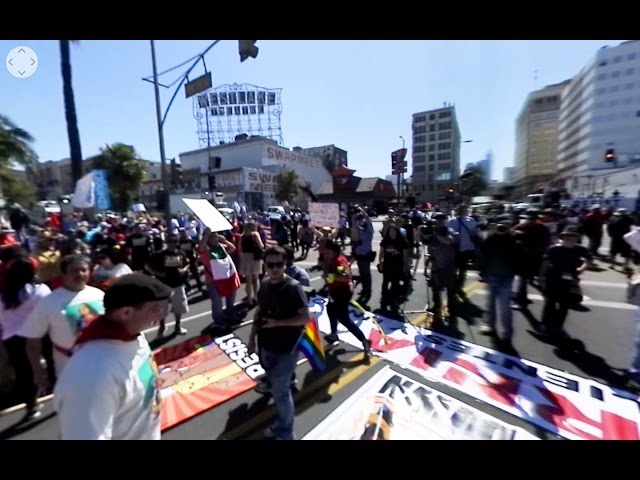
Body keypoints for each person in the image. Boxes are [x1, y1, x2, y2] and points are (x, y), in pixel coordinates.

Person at [53, 274, 172, 440]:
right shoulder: (93, 372)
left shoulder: (134, 335)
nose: (162, 314)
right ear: (126, 312)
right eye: (155, 308)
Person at [248, 246, 310, 440]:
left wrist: (278, 323)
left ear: (285, 264)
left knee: (281, 391)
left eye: (279, 264)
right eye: (270, 264)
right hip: (266, 344)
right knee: (274, 381)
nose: (275, 268)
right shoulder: (265, 285)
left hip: (286, 348)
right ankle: (288, 384)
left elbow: (304, 318)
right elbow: (259, 312)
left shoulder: (293, 287)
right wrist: (251, 338)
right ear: (265, 266)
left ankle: (286, 431)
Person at [19, 254, 105, 380]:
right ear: (63, 275)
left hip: (103, 361)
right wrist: (37, 369)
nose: (80, 274)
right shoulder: (48, 302)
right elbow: (33, 340)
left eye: (84, 270)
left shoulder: (98, 294)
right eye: (74, 271)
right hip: (70, 367)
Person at [0, 258, 51, 421]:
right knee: (50, 363)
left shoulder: (4, 295)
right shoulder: (40, 290)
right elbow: (49, 310)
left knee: (23, 372)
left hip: (12, 338)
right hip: (38, 334)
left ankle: (31, 406)